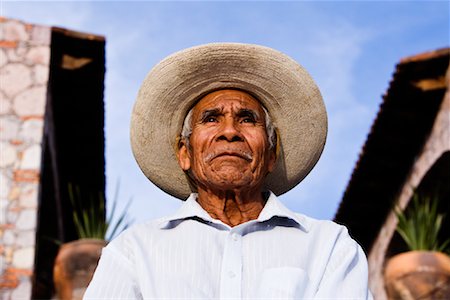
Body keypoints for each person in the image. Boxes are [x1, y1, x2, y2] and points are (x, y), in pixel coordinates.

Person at [85, 43, 373, 299]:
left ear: (271, 153)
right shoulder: (134, 251)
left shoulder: (329, 246)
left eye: (247, 119)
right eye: (211, 119)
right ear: (184, 152)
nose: (230, 132)